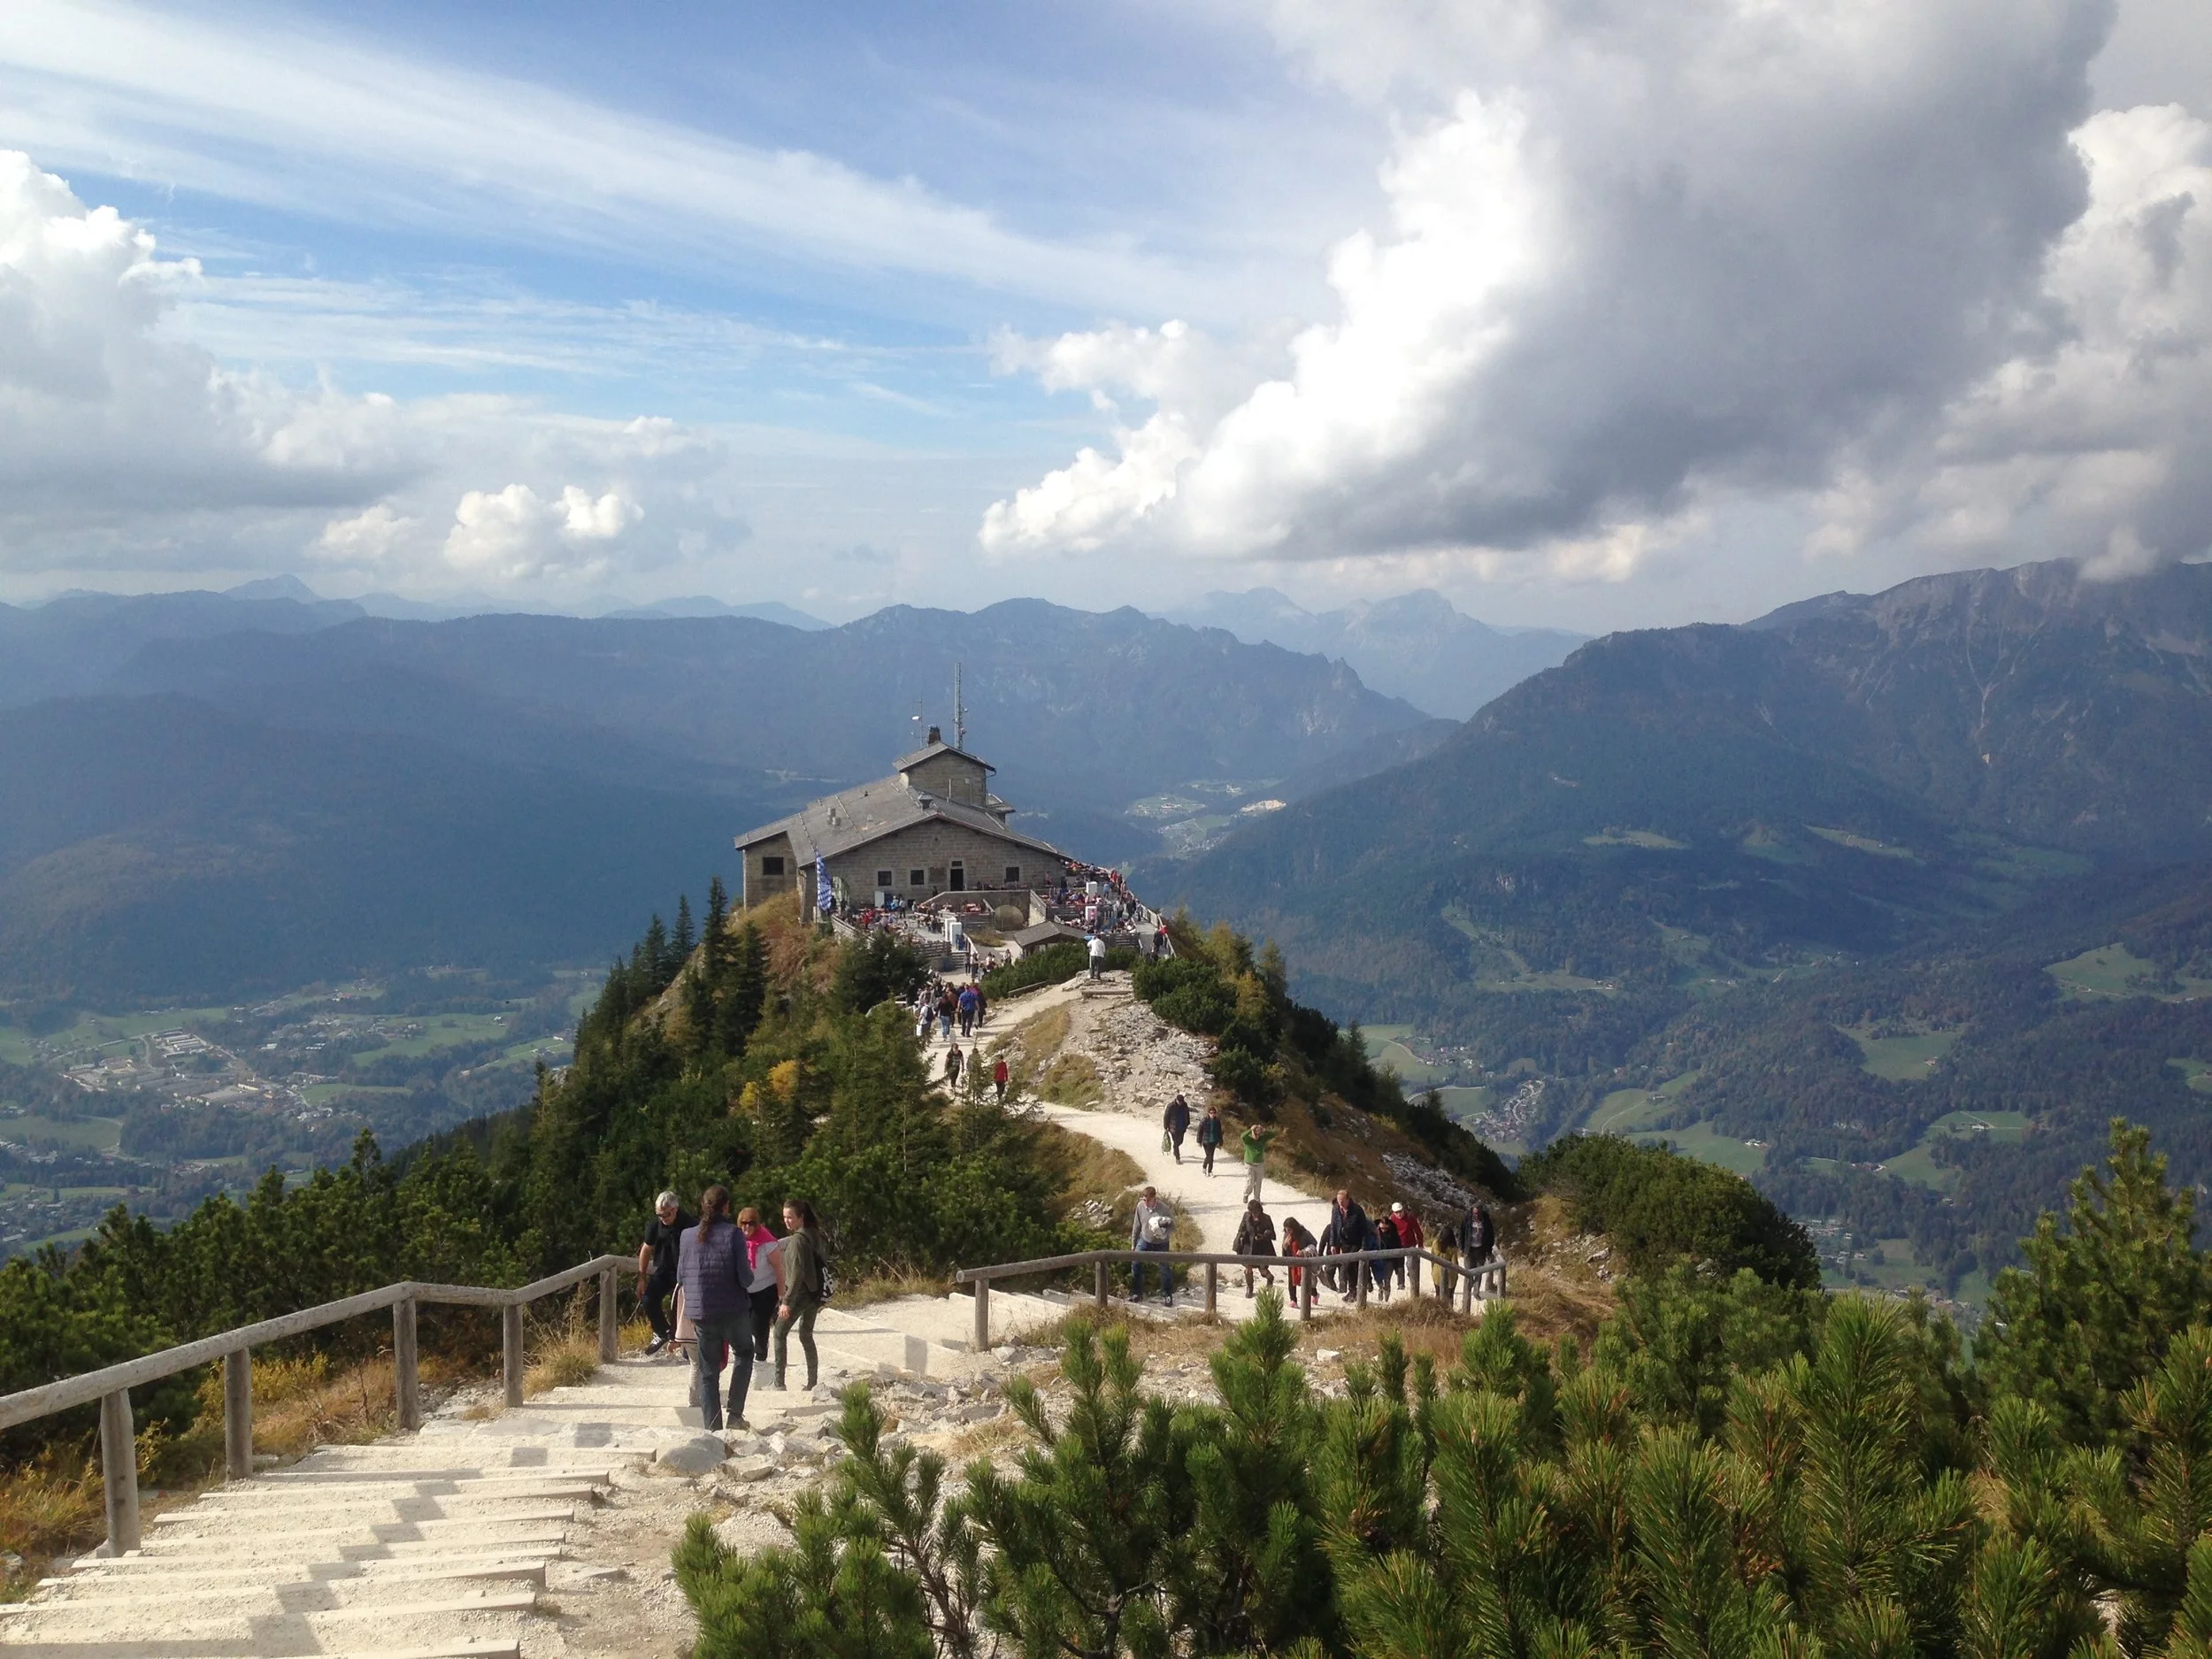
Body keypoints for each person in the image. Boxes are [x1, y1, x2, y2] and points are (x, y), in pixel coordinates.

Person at [676, 1184, 752, 1431]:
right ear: (727, 1207)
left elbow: (680, 1277)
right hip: (732, 1310)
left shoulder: (686, 1236)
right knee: (744, 1353)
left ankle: (712, 1429)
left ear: (702, 1206)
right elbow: (746, 1279)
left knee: (708, 1373)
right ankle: (735, 1415)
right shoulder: (733, 1234)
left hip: (701, 1313)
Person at [773, 1198, 827, 1391]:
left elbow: (796, 1274)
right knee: (806, 1335)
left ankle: (779, 1383)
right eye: (785, 1217)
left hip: (801, 1294)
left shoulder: (797, 1240)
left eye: (790, 1217)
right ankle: (812, 1381)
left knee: (779, 1332)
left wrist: (787, 1302)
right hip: (815, 1292)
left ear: (800, 1218)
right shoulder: (814, 1234)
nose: (787, 1221)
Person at [636, 1189, 694, 1357]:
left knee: (681, 1308)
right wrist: (642, 1277)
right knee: (648, 1300)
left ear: (675, 1210)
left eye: (666, 1215)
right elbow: (646, 1249)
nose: (662, 1219)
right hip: (663, 1269)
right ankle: (662, 1332)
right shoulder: (655, 1225)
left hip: (685, 1272)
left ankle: (685, 1342)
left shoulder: (690, 1224)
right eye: (659, 1214)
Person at [737, 1206, 781, 1362]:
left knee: (759, 1324)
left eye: (751, 1223)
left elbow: (778, 1267)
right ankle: (746, 1353)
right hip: (745, 1289)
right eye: (743, 1223)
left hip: (766, 1288)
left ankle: (761, 1354)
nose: (747, 1227)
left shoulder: (767, 1241)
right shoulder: (737, 1239)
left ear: (757, 1224)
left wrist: (782, 1295)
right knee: (744, 1324)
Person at [1320, 1189, 1371, 1300]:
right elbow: (1333, 1226)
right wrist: (1333, 1244)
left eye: (1342, 1200)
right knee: (1348, 1267)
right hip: (1343, 1242)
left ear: (1348, 1199)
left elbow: (1364, 1230)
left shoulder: (1357, 1210)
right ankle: (1352, 1290)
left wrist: (1363, 1247)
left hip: (1355, 1242)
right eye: (1339, 1200)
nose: (1340, 1203)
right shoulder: (1336, 1209)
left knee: (1349, 1264)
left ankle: (1357, 1290)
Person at [1131, 1185, 1176, 1302]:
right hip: (1145, 1240)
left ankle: (1167, 1295)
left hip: (1161, 1243)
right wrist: (1133, 1243)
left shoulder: (1164, 1209)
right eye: (1144, 1200)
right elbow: (1136, 1225)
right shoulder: (1140, 1206)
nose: (1145, 1202)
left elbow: (1173, 1226)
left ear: (1154, 1198)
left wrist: (1164, 1234)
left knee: (1164, 1268)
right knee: (1136, 1262)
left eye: (1148, 1200)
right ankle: (1137, 1293)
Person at [1233, 1198, 1277, 1296]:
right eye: (1252, 1212)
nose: (1254, 1214)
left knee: (1263, 1270)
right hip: (1249, 1246)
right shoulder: (1246, 1216)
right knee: (1248, 1268)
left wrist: (1264, 1236)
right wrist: (1241, 1238)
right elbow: (1241, 1228)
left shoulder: (1266, 1218)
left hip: (1262, 1248)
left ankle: (1270, 1279)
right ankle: (1250, 1288)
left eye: (1255, 1212)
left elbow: (1273, 1235)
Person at [1239, 1122, 1282, 1202]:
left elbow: (1273, 1135)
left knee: (1258, 1183)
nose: (1257, 1135)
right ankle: (1246, 1194)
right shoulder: (1248, 1140)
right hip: (1249, 1164)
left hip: (1259, 1164)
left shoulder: (1262, 1139)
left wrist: (1264, 1130)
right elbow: (1242, 1136)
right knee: (1250, 1182)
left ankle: (1257, 1199)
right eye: (1255, 1132)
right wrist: (1250, 1129)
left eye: (1258, 1133)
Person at [1390, 1202, 1424, 1291]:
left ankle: (1413, 1281)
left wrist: (1420, 1244)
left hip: (1410, 1244)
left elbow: (1418, 1231)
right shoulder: (1392, 1219)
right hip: (1398, 1244)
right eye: (1396, 1212)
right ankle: (1401, 1284)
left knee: (1411, 1264)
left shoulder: (1410, 1217)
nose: (1398, 1214)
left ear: (1403, 1210)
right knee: (1399, 1265)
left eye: (1400, 1211)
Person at [1281, 1215, 1314, 1301]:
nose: (1288, 1232)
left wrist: (1303, 1251)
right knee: (1291, 1280)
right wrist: (1285, 1246)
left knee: (1305, 1281)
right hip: (1291, 1260)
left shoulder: (1304, 1233)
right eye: (1286, 1229)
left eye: (1289, 1229)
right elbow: (1284, 1252)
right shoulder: (1286, 1234)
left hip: (1302, 1261)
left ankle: (1314, 1294)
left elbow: (1313, 1243)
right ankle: (1293, 1299)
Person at [1195, 1104, 1225, 1173]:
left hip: (1213, 1141)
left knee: (1210, 1156)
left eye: (1214, 1113)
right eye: (1211, 1113)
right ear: (1208, 1113)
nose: (1212, 1114)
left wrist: (1220, 1142)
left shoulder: (1217, 1121)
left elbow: (1219, 1132)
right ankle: (1208, 1170)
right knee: (1210, 1156)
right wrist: (1199, 1141)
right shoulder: (1204, 1120)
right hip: (1206, 1141)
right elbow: (1200, 1131)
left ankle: (1207, 1169)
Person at [1163, 1094, 1191, 1164]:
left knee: (1180, 1141)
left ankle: (1175, 1149)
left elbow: (1187, 1115)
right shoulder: (1171, 1106)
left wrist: (1187, 1123)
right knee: (1176, 1141)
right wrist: (1166, 1127)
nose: (1180, 1103)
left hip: (1182, 1127)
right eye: (1179, 1102)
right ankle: (1178, 1158)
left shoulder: (1185, 1106)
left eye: (1181, 1102)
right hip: (1173, 1128)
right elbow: (1166, 1117)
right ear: (1176, 1100)